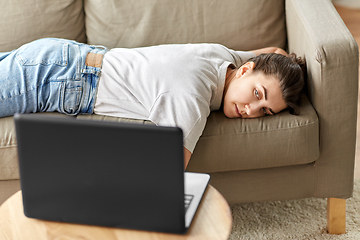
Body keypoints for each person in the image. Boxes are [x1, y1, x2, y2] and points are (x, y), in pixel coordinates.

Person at [0, 38, 305, 168]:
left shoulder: (223, 57)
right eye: (257, 95)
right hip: (55, 78)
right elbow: (164, 173)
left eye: (265, 110)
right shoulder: (191, 99)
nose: (251, 111)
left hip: (62, 56)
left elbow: (271, 52)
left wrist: (286, 66)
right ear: (246, 71)